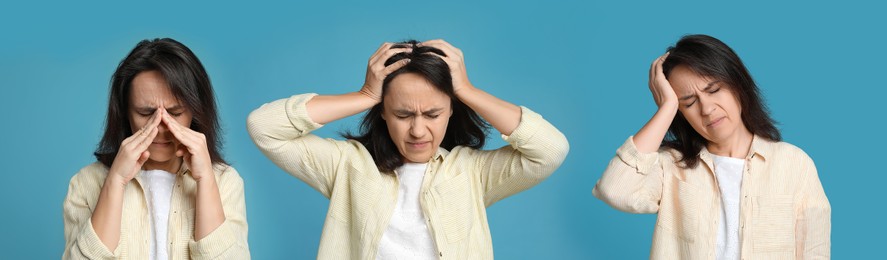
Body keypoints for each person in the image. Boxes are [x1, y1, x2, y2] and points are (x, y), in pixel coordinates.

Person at [247, 39, 569, 259]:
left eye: (432, 114)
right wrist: (363, 95)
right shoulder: (346, 166)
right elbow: (264, 128)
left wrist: (468, 90)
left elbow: (550, 150)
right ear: (383, 111)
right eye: (403, 114)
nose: (417, 130)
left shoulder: (472, 172)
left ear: (452, 109)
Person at [593, 34, 830, 259]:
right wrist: (666, 108)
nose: (706, 109)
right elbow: (614, 190)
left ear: (738, 84)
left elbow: (814, 253)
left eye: (713, 90)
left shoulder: (794, 164)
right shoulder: (671, 167)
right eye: (688, 103)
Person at [63, 38, 250, 259]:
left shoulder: (225, 182)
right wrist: (115, 181)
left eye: (176, 113)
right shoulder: (86, 183)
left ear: (195, 112)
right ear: (125, 113)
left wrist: (205, 180)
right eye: (145, 113)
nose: (161, 127)